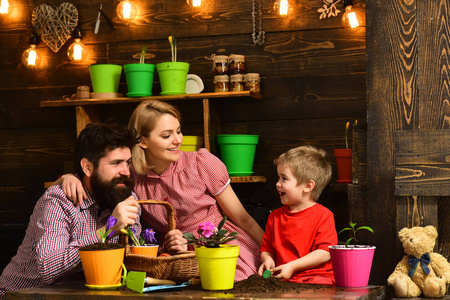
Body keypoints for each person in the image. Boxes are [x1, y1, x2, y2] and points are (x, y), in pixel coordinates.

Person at [54, 100, 264, 281]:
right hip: (171, 258)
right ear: (142, 141)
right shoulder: (131, 176)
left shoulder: (201, 163)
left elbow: (243, 219)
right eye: (166, 135)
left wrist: (271, 251)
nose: (178, 140)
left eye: (179, 131)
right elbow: (93, 176)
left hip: (218, 248)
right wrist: (68, 177)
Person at [0, 122, 142, 299]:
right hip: (21, 296)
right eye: (116, 163)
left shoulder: (126, 198)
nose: (126, 171)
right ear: (88, 167)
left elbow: (133, 262)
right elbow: (48, 270)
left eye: (128, 162)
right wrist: (106, 232)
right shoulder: (59, 200)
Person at [258, 145, 337, 285]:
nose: (277, 184)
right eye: (278, 178)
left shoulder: (324, 216)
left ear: (308, 186)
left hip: (317, 279)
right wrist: (268, 260)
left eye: (284, 179)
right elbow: (267, 248)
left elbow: (325, 252)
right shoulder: (275, 217)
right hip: (283, 278)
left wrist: (293, 266)